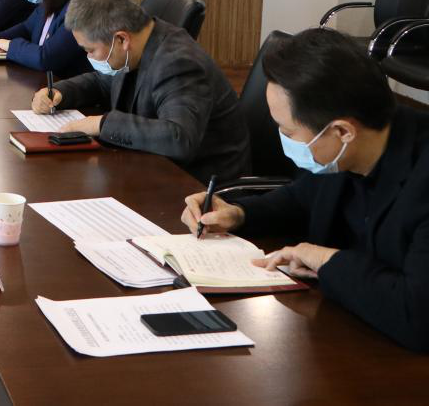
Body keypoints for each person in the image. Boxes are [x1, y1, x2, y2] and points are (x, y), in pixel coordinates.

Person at [182, 29, 429, 352]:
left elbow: (417, 316)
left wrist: (325, 259)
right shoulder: (346, 150)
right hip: (341, 328)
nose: (283, 139)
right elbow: (301, 198)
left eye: (287, 131)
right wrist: (238, 213)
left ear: (342, 131)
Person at [32, 0, 249, 181]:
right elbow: (103, 82)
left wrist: (101, 124)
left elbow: (179, 138)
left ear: (122, 39)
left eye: (90, 50)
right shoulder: (138, 45)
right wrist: (60, 92)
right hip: (152, 167)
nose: (88, 57)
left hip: (200, 186)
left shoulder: (178, 62)